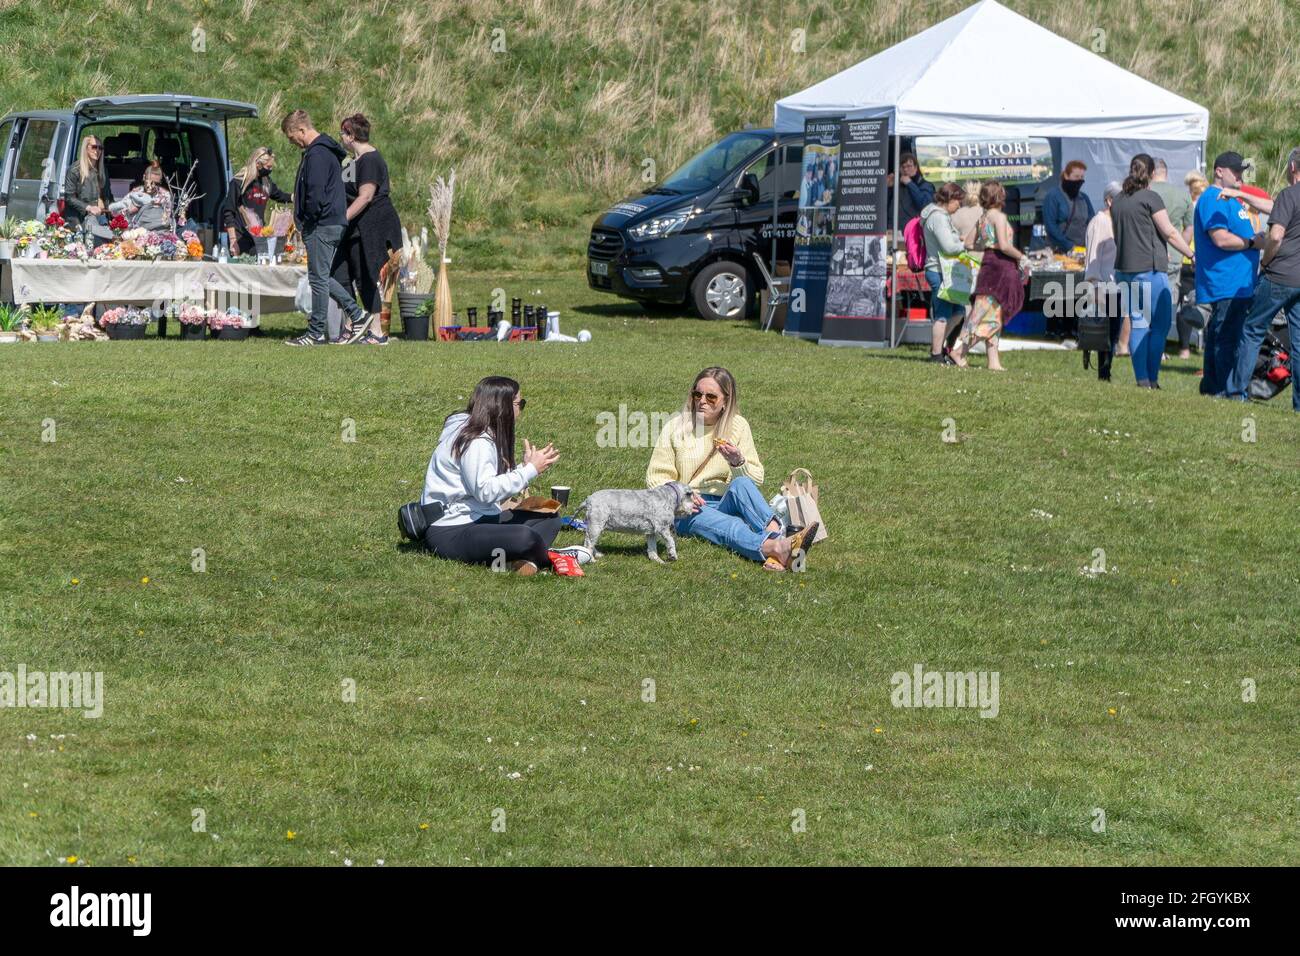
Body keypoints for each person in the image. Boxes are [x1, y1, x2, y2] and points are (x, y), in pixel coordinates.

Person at [645, 367, 817, 571]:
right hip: (684, 509)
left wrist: (738, 463)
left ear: (725, 401)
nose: (702, 401)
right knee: (730, 526)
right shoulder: (675, 427)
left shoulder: (738, 426)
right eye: (697, 394)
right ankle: (778, 547)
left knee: (741, 484)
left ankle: (779, 541)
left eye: (711, 397)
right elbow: (655, 478)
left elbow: (755, 481)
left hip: (725, 501)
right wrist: (684, 494)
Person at [420, 376, 581, 575]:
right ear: (502, 406)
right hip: (452, 529)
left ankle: (518, 559)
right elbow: (485, 492)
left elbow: (491, 491)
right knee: (525, 537)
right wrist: (529, 470)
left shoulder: (478, 431)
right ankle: (553, 557)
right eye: (519, 403)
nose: (520, 409)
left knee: (550, 515)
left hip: (480, 518)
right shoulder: (476, 440)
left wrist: (524, 467)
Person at [280, 109, 368, 347]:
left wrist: (307, 219)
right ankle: (357, 316)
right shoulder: (325, 151)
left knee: (318, 279)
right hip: (330, 221)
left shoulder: (318, 154)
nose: (293, 142)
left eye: (291, 137)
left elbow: (315, 194)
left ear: (301, 129)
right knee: (321, 277)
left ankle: (318, 330)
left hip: (322, 223)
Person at [1110, 153, 1197, 388]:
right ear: (1150, 174)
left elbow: (1124, 235)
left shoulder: (1117, 199)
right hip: (1149, 270)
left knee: (1138, 322)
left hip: (1124, 270)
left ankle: (1142, 380)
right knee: (1158, 325)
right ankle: (1153, 377)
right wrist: (1191, 254)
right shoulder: (1151, 197)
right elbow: (1169, 232)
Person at [1230, 146, 1300, 410]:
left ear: (1292, 167)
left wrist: (1267, 260)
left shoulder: (1288, 194)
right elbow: (1274, 208)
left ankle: (1237, 392)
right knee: (1298, 340)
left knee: (1252, 329)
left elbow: (1276, 235)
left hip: (1279, 276)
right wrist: (1241, 194)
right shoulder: (1286, 199)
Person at [1190, 151, 1264, 396]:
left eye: (1242, 171)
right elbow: (1220, 239)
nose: (1240, 176)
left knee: (1220, 336)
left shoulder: (1231, 198)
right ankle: (1222, 389)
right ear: (1219, 171)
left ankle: (1212, 387)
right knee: (1227, 339)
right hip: (1226, 281)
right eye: (1235, 171)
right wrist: (1253, 243)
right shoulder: (1214, 198)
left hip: (1236, 282)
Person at [333, 113, 404, 345]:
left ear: (351, 135)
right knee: (346, 274)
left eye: (343, 133)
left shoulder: (370, 159)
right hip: (355, 227)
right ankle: (353, 323)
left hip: (373, 225)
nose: (341, 137)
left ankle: (378, 332)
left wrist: (341, 218)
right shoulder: (351, 161)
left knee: (369, 277)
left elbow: (365, 197)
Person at [949, 181, 1029, 372]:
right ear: (998, 196)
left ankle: (993, 361)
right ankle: (959, 352)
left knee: (990, 313)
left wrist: (985, 246)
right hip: (1001, 268)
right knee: (990, 317)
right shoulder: (999, 217)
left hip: (988, 266)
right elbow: (1004, 245)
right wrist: (1022, 257)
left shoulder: (983, 217)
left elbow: (968, 243)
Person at [920, 182, 975, 362]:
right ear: (949, 199)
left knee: (958, 312)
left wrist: (956, 238)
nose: (959, 205)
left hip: (946, 270)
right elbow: (949, 247)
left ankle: (939, 348)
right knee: (943, 315)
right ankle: (936, 354)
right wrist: (964, 244)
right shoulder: (938, 217)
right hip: (939, 270)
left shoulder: (939, 215)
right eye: (958, 201)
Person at [1149, 158, 1194, 355]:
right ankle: (1160, 346)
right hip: (1174, 256)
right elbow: (1189, 227)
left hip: (1146, 254)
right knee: (1168, 302)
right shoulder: (1182, 195)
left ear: (1151, 172)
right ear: (1165, 173)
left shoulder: (1144, 193)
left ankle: (1142, 344)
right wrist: (1181, 247)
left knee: (1143, 301)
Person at [1083, 181, 1124, 380]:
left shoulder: (1117, 222)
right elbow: (1093, 256)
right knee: (1103, 333)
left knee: (1113, 332)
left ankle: (1106, 371)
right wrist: (1093, 286)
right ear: (1109, 200)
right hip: (1102, 287)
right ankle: (1103, 373)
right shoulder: (1099, 221)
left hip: (1115, 286)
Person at [221, 146, 293, 257]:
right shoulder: (239, 182)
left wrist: (295, 197)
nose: (270, 170)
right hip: (240, 238)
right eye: (268, 167)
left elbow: (280, 195)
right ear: (258, 165)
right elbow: (228, 211)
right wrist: (233, 241)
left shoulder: (266, 182)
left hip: (259, 237)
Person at [1174, 171, 1211, 359]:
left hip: (1187, 260)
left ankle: (1184, 348)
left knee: (1186, 304)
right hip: (1206, 262)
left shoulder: (1188, 207)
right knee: (1210, 305)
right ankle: (1208, 347)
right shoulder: (1210, 207)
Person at [62, 135, 112, 234]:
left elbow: (108, 196)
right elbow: (69, 197)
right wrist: (88, 208)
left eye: (100, 148)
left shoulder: (102, 170)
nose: (97, 150)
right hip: (79, 219)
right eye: (94, 147)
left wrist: (116, 208)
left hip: (100, 217)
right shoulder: (75, 170)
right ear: (86, 148)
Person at [1042, 160, 1096, 253]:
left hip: (1081, 251)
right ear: (1066, 176)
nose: (1079, 180)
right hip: (1058, 251)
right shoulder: (1053, 196)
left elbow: (1092, 222)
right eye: (1076, 176)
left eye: (1082, 177)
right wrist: (1069, 246)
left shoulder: (1084, 198)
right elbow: (1050, 226)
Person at [108, 160, 177, 233]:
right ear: (144, 177)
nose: (152, 186)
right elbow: (114, 213)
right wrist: (130, 211)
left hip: (158, 231)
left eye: (156, 184)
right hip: (135, 232)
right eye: (150, 182)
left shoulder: (165, 195)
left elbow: (168, 218)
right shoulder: (136, 193)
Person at [891, 152, 935, 227]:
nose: (905, 169)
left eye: (909, 166)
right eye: (902, 167)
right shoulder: (896, 185)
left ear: (915, 168)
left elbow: (925, 205)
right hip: (895, 229)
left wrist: (910, 184)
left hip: (914, 230)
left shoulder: (926, 185)